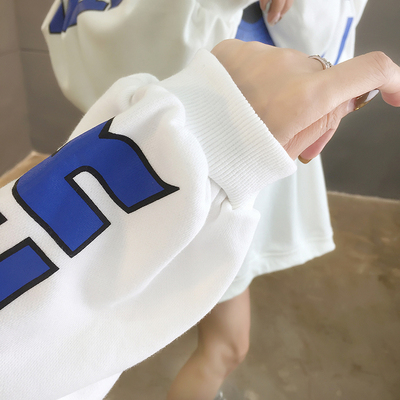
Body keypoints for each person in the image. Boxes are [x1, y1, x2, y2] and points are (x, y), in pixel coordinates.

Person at [1, 39, 399, 400]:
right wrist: (213, 133)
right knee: (226, 345)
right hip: (187, 159)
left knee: (225, 344)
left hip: (173, 144)